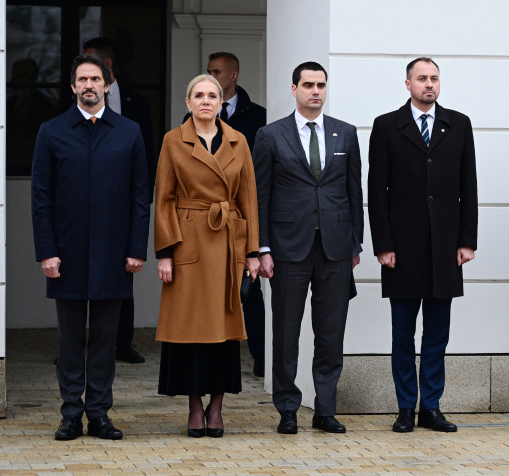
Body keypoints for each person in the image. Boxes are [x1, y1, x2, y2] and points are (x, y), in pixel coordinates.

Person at [31, 52, 150, 441]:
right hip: (65, 254)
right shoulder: (52, 131)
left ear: (107, 85)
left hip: (114, 254)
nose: (88, 85)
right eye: (82, 79)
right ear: (72, 87)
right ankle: (70, 414)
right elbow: (41, 197)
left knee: (104, 338)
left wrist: (137, 248)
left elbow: (139, 196)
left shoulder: (129, 131)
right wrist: (46, 250)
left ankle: (99, 413)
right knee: (69, 339)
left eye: (95, 79)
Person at [368, 57, 478, 433]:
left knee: (437, 333)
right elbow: (376, 192)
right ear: (407, 84)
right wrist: (383, 243)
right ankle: (404, 407)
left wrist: (467, 241)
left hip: (446, 248)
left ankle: (431, 406)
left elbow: (469, 188)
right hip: (402, 249)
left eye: (434, 79)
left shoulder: (458, 124)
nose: (428, 85)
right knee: (403, 334)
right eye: (421, 79)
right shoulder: (386, 126)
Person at [253, 62, 363, 435]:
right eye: (308, 85)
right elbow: (260, 196)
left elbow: (353, 192)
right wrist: (262, 247)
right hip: (286, 249)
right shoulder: (270, 135)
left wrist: (355, 242)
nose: (315, 91)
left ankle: (326, 408)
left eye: (321, 85)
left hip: (334, 248)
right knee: (285, 333)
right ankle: (286, 407)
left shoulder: (345, 134)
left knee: (330, 334)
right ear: (294, 88)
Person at [153, 74, 260, 438]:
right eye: (198, 95)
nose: (205, 101)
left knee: (224, 330)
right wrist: (165, 253)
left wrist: (253, 252)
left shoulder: (238, 140)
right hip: (188, 242)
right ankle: (194, 406)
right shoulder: (173, 141)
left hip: (227, 241)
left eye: (212, 95)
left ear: (221, 101)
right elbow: (164, 198)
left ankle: (217, 407)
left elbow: (249, 199)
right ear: (188, 102)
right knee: (188, 329)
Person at [189, 52, 268, 376]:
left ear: (233, 75)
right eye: (208, 72)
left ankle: (261, 357)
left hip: (241, 215)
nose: (212, 76)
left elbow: (259, 170)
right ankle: (211, 361)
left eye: (217, 72)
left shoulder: (257, 117)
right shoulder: (191, 118)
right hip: (204, 220)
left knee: (250, 290)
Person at [82, 37, 155, 365]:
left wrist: (145, 197)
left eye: (93, 66)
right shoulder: (77, 103)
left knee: (123, 277)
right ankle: (79, 343)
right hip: (85, 207)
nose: (87, 80)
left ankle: (122, 342)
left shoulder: (136, 102)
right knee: (79, 280)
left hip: (123, 208)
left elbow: (147, 153)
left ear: (107, 66)